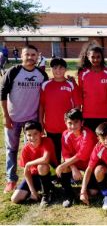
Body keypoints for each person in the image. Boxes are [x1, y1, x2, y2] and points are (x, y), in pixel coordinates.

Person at [0, 45, 48, 193]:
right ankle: (11, 179)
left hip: (32, 120)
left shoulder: (41, 75)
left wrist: (41, 120)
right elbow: (2, 95)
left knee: (33, 150)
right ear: (21, 55)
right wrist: (6, 117)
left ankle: (33, 178)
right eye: (27, 54)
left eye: (33, 55)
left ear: (37, 56)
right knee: (11, 149)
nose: (30, 57)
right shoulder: (13, 72)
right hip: (13, 118)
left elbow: (44, 99)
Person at [40, 58, 82, 164]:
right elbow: (41, 105)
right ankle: (55, 174)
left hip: (68, 127)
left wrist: (75, 123)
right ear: (51, 69)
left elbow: (77, 105)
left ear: (65, 69)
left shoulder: (71, 84)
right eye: (55, 68)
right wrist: (41, 121)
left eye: (61, 68)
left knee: (69, 150)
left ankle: (70, 173)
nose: (58, 70)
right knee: (54, 151)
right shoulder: (45, 85)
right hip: (51, 126)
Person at [56, 108, 98, 208]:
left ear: (82, 122)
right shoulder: (65, 134)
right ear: (65, 122)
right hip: (76, 163)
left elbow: (81, 155)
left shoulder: (87, 134)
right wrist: (73, 168)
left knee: (94, 192)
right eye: (70, 123)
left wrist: (62, 165)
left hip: (90, 164)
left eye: (76, 122)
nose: (73, 126)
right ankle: (68, 195)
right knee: (64, 168)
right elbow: (66, 155)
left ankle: (84, 190)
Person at [10, 121, 57, 207]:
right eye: (29, 135)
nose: (32, 137)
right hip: (34, 176)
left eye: (35, 134)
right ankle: (37, 191)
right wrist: (32, 191)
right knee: (15, 199)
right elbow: (26, 172)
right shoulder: (25, 149)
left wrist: (28, 164)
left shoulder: (47, 141)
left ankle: (46, 195)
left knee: (41, 166)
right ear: (25, 136)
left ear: (41, 133)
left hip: (50, 173)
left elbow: (45, 159)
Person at [78, 45, 107, 132]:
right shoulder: (83, 73)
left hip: (105, 114)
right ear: (88, 57)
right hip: (88, 115)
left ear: (102, 57)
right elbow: (80, 94)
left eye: (98, 57)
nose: (96, 60)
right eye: (92, 57)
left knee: (105, 143)